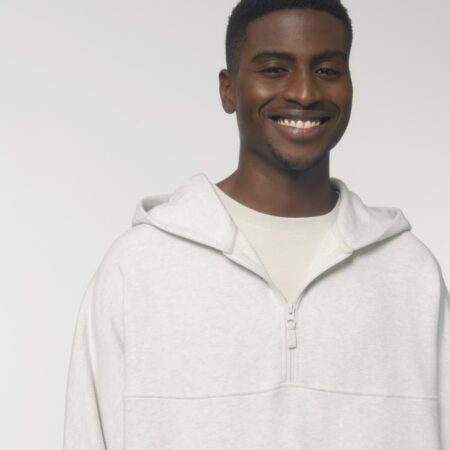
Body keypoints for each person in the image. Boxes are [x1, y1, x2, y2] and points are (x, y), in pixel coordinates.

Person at [63, 0, 449, 449]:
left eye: (327, 70)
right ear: (228, 90)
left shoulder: (410, 274)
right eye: (274, 69)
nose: (304, 92)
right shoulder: (138, 269)